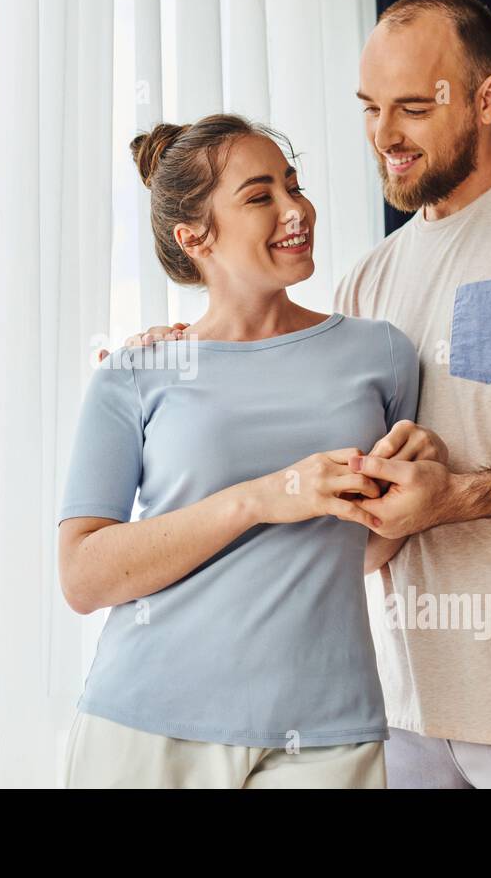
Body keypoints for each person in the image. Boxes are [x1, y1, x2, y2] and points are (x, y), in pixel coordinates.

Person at [122, 0, 491, 789]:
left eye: (414, 109)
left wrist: (464, 494)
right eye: (368, 108)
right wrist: (187, 346)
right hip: (400, 708)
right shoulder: (368, 280)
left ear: (487, 98)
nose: (384, 137)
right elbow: (304, 445)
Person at [57, 114, 444, 788]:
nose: (296, 209)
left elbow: (372, 547)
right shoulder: (137, 371)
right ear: (194, 237)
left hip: (327, 727)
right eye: (260, 196)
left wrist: (415, 483)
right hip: (146, 723)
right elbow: (84, 577)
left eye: (294, 186)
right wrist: (261, 498)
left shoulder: (380, 353)